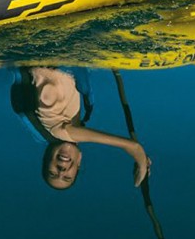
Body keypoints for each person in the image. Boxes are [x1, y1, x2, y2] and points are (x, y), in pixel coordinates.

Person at [11, 66, 150, 190]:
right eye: (67, 177)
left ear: (46, 158)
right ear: (79, 161)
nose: (61, 171)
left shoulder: (59, 132)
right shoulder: (72, 119)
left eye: (52, 173)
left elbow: (133, 146)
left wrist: (141, 159)